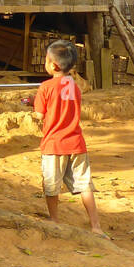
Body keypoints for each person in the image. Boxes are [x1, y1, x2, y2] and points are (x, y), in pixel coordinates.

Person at [29, 40, 105, 236]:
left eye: (46, 60)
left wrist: (32, 103)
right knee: (84, 184)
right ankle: (95, 225)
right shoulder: (74, 86)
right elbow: (64, 104)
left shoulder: (45, 87)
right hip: (76, 143)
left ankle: (54, 220)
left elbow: (39, 114)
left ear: (53, 65)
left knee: (51, 185)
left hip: (54, 145)